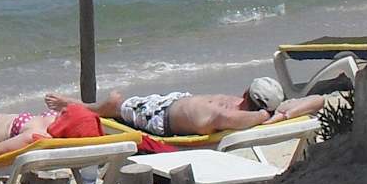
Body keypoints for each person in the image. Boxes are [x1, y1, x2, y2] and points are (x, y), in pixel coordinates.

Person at [94, 78, 322, 139]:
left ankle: (89, 108)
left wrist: (264, 116)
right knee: (117, 103)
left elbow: (221, 117)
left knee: (111, 105)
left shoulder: (232, 117)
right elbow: (318, 100)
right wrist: (284, 113)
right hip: (177, 101)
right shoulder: (268, 111)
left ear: (246, 93)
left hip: (159, 116)